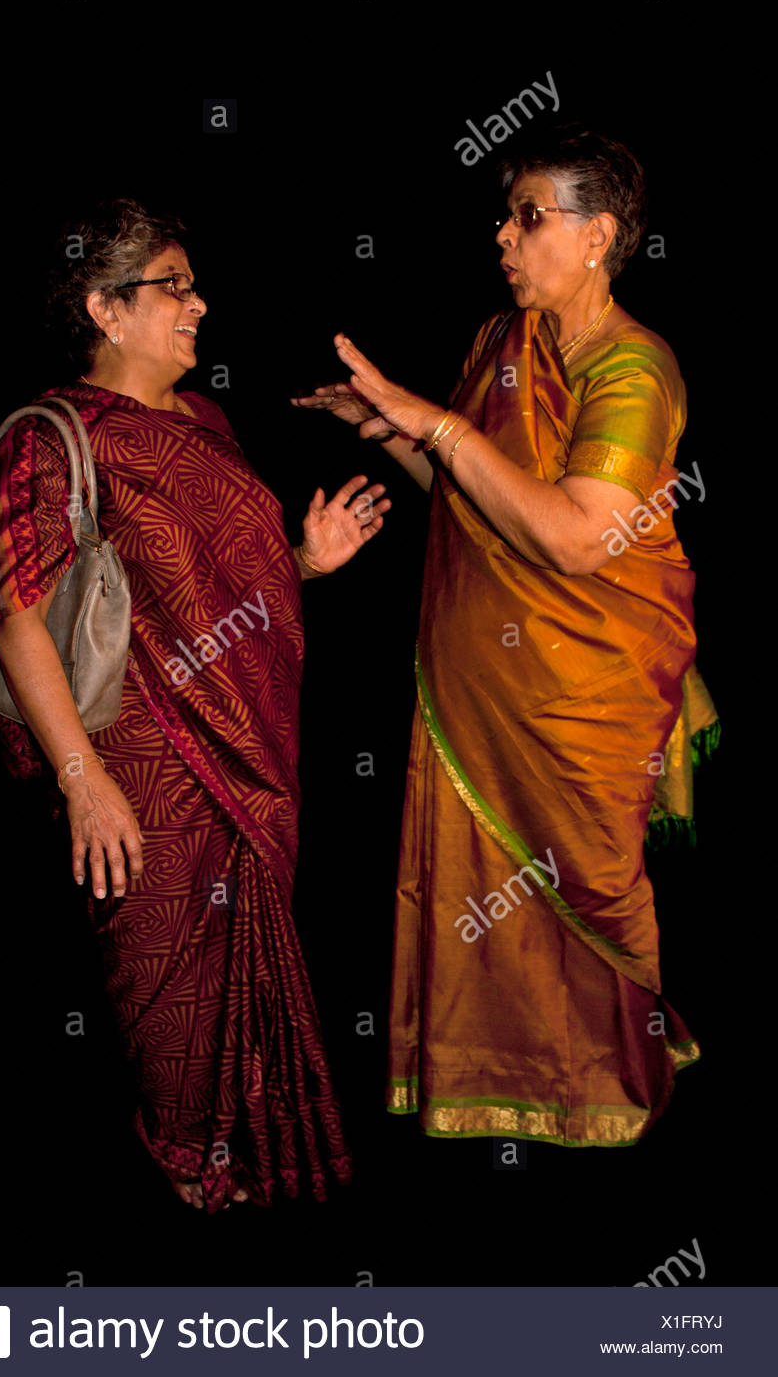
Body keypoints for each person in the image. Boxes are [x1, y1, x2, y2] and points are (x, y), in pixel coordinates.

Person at [0, 198, 390, 1211]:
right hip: (142, 777)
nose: (199, 303)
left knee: (246, 984)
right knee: (169, 1010)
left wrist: (305, 563)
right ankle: (186, 1191)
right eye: (173, 286)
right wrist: (82, 780)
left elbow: (202, 594)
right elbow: (13, 615)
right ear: (105, 308)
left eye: (191, 284)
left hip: (249, 758)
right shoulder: (51, 441)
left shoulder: (204, 421)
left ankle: (254, 1181)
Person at [293, 126, 718, 1147]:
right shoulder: (499, 345)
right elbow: (476, 499)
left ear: (597, 236)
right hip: (475, 702)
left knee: (582, 902)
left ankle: (601, 1097)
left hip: (578, 704)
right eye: (506, 215)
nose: (502, 236)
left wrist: (437, 426)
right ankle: (490, 1087)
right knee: (478, 912)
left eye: (527, 216)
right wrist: (393, 431)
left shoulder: (633, 368)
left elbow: (574, 538)